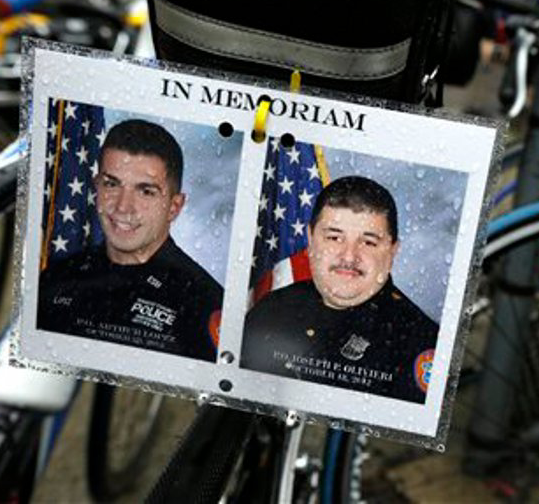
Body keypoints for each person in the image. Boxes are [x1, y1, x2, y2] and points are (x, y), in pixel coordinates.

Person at [241, 176, 438, 403]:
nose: (348, 256)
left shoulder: (419, 343)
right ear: (311, 239)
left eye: (368, 242)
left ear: (393, 250)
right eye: (334, 237)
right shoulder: (273, 306)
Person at [38, 119, 222, 362]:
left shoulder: (204, 303)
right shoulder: (56, 276)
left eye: (146, 191)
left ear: (174, 207)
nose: (124, 207)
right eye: (112, 184)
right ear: (96, 188)